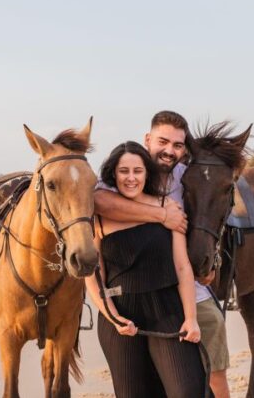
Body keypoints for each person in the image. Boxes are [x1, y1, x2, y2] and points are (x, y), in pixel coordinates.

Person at [94, 110, 231, 398]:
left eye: (178, 145)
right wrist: (160, 216)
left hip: (181, 295)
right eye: (163, 142)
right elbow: (100, 207)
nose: (169, 151)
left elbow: (211, 215)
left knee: (211, 375)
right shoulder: (119, 178)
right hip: (127, 302)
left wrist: (211, 263)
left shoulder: (187, 175)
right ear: (148, 139)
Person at [84, 141, 207, 397]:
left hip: (167, 310)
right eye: (124, 171)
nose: (131, 178)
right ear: (113, 174)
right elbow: (94, 278)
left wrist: (191, 318)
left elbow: (183, 268)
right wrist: (113, 316)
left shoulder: (168, 207)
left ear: (146, 173)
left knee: (188, 391)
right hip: (122, 314)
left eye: (137, 171)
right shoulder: (99, 217)